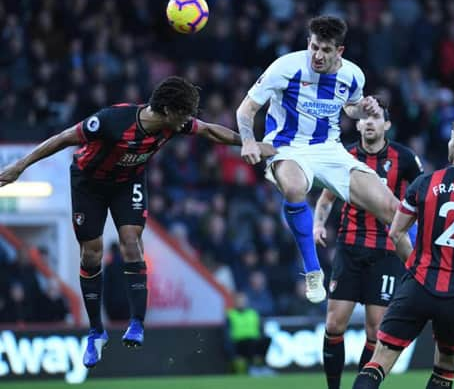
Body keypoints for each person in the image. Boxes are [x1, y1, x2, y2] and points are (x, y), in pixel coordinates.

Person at [0, 76, 275, 368]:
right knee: (91, 252)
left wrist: (249, 142)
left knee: (132, 242)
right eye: (184, 113)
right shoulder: (112, 121)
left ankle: (137, 323)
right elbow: (63, 138)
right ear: (167, 110)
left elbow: (210, 131)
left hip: (127, 183)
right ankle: (96, 331)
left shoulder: (175, 123)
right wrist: (19, 166)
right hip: (88, 184)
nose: (188, 120)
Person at [236, 15, 411, 303]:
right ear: (308, 42)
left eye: (326, 50)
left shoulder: (353, 74)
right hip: (286, 147)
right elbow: (246, 110)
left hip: (329, 149)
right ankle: (313, 270)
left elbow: (350, 108)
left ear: (339, 51)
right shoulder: (285, 67)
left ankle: (420, 276)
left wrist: (362, 108)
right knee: (294, 188)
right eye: (314, 47)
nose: (317, 56)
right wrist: (247, 140)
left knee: (392, 207)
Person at [353, 116, 454, 389]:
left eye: (452, 139)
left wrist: (414, 266)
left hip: (418, 285)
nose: (450, 143)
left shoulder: (426, 182)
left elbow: (395, 232)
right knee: (445, 369)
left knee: (379, 361)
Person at [313, 98, 423, 389]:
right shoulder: (344, 156)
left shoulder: (406, 158)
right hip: (349, 249)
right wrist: (317, 224)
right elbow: (326, 199)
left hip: (386, 252)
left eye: (376, 118)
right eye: (365, 118)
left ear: (387, 124)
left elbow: (421, 199)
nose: (370, 122)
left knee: (375, 331)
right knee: (334, 325)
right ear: (358, 123)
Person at [225, 292, 272, 376]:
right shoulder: (230, 314)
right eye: (239, 301)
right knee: (249, 343)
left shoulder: (253, 313)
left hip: (254, 340)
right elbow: (226, 334)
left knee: (267, 339)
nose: (241, 303)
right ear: (234, 302)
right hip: (239, 343)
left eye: (242, 301)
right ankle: (252, 367)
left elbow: (260, 329)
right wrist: (231, 351)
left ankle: (263, 365)